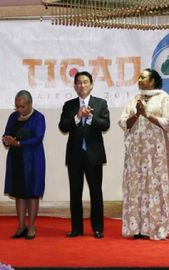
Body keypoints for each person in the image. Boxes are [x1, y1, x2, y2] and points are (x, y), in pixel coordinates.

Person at [118, 68, 169, 240]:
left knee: (156, 186)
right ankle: (136, 228)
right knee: (135, 186)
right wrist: (137, 114)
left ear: (153, 81)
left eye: (143, 77)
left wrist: (148, 115)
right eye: (139, 77)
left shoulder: (164, 99)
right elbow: (123, 123)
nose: (139, 79)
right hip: (136, 153)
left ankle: (156, 228)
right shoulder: (134, 99)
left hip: (156, 154)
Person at [58, 71, 110, 239]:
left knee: (96, 192)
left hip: (94, 155)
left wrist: (90, 117)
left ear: (91, 84)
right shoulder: (69, 105)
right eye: (79, 83)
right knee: (75, 192)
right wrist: (77, 116)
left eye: (85, 82)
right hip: (74, 155)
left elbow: (105, 125)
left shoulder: (100, 103)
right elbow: (63, 127)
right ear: (75, 86)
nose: (82, 85)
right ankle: (76, 229)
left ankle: (97, 228)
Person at [2, 90, 45, 240]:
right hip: (16, 158)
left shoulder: (38, 117)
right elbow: (7, 132)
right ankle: (21, 226)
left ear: (30, 104)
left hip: (32, 159)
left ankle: (31, 226)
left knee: (32, 193)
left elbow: (38, 138)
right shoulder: (13, 117)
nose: (19, 110)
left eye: (22, 107)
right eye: (17, 107)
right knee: (19, 193)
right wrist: (6, 139)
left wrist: (19, 143)